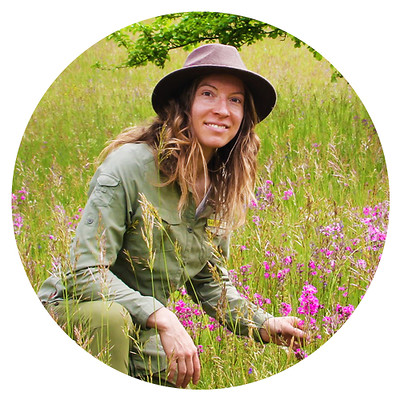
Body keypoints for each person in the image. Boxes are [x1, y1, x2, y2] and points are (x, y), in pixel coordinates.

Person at [38, 43, 307, 388]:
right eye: (208, 94)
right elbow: (83, 272)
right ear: (183, 104)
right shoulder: (129, 166)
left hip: (142, 330)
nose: (222, 109)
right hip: (78, 318)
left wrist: (263, 323)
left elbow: (210, 283)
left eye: (236, 100)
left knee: (172, 371)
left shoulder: (218, 184)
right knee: (110, 319)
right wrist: (161, 315)